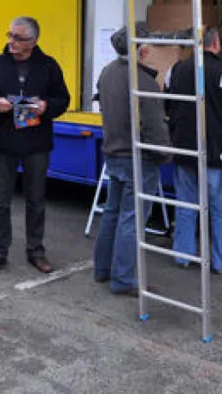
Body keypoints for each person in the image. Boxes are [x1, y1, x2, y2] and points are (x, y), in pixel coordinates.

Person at [0, 16, 70, 275]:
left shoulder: (48, 66)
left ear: (34, 41)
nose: (11, 42)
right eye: (10, 35)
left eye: (18, 38)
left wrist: (47, 106)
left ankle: (36, 250)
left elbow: (63, 99)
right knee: (0, 200)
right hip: (5, 142)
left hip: (36, 143)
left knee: (36, 200)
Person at [165, 26, 222, 274]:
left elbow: (166, 105)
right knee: (221, 210)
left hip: (183, 150)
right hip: (217, 150)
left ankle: (183, 255)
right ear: (216, 44)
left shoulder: (176, 69)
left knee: (186, 205)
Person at [93, 24, 170, 297]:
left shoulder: (108, 72)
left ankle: (102, 269)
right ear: (142, 49)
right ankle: (123, 279)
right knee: (132, 219)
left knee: (112, 213)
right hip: (138, 158)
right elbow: (154, 126)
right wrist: (165, 154)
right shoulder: (144, 82)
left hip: (113, 152)